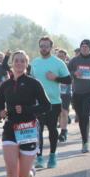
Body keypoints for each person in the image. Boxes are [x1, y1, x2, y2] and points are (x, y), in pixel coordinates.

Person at [0, 51, 50, 177]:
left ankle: (30, 176)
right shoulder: (5, 85)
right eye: (16, 61)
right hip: (10, 129)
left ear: (27, 64)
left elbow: (46, 106)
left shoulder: (34, 83)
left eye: (22, 61)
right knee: (11, 170)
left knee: (22, 176)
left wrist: (26, 109)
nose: (19, 64)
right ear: (12, 63)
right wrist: (1, 113)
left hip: (28, 129)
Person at [29, 36, 71, 169]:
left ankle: (52, 155)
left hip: (54, 102)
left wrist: (56, 78)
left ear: (51, 48)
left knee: (52, 128)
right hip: (38, 103)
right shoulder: (35, 62)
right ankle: (39, 157)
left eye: (46, 46)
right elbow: (31, 79)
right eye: (41, 46)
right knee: (38, 130)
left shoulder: (58, 63)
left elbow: (69, 80)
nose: (44, 48)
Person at [67, 39, 90, 153]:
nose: (84, 48)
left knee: (85, 115)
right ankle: (84, 140)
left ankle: (85, 142)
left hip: (89, 92)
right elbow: (66, 73)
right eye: (82, 46)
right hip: (77, 93)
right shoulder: (74, 60)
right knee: (81, 117)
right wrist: (74, 74)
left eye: (86, 46)